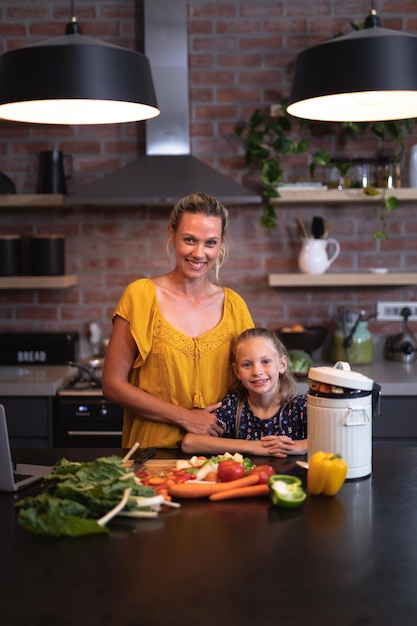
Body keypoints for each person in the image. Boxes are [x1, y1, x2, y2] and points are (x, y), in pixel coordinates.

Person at [102, 192, 254, 449]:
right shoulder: (140, 296)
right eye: (189, 240)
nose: (199, 253)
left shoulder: (234, 306)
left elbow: (254, 380)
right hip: (150, 453)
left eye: (210, 243)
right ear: (171, 234)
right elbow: (112, 385)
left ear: (221, 243)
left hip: (219, 454)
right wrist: (186, 417)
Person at [182, 327, 307, 458]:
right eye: (247, 365)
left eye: (265, 362)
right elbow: (189, 442)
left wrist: (303, 446)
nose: (257, 372)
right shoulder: (233, 406)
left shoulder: (300, 407)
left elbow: (331, 439)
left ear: (282, 364)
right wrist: (251, 446)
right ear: (236, 372)